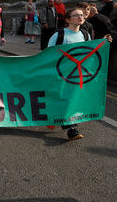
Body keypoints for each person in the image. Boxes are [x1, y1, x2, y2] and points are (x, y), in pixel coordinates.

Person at [48, 9, 112, 140]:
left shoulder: (85, 34)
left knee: (72, 100)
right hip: (62, 75)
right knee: (65, 100)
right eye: (76, 15)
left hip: (78, 75)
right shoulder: (59, 35)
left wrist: (103, 42)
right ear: (68, 19)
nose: (80, 17)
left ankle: (66, 125)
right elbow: (49, 55)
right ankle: (70, 128)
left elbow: (90, 51)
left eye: (82, 15)